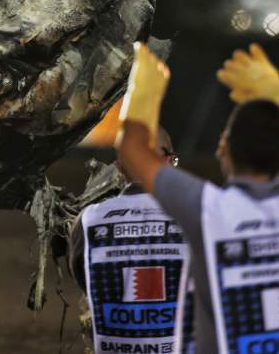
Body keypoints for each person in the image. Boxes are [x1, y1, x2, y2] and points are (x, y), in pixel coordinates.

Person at [114, 43, 279, 354]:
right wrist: (278, 95)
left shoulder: (210, 212)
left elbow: (132, 151)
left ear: (223, 148)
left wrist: (143, 93)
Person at [68, 129, 195, 354]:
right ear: (165, 162)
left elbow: (84, 280)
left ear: (119, 167)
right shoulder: (196, 217)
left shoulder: (89, 220)